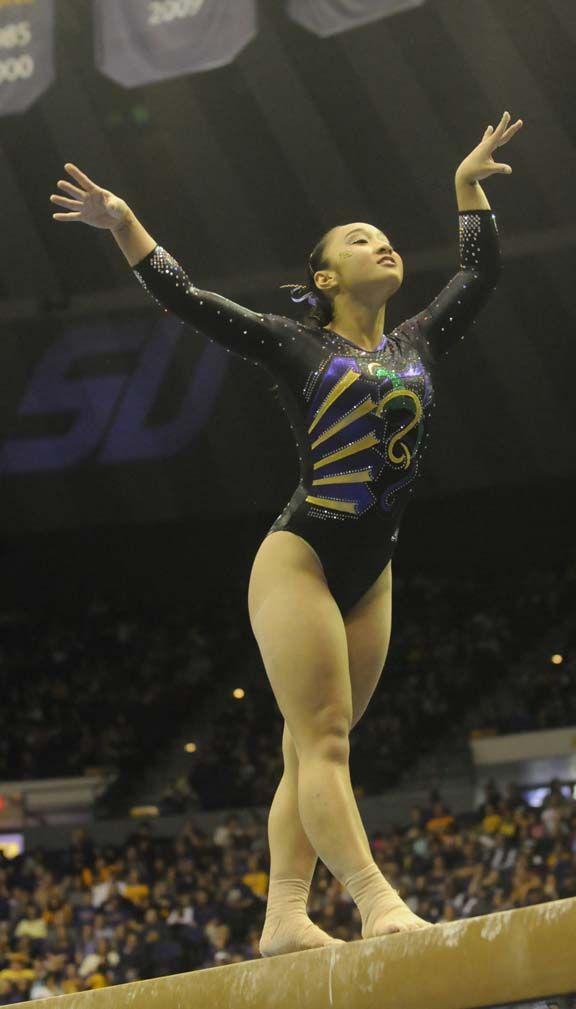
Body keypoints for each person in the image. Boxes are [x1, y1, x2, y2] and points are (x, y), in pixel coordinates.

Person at [49, 109, 522, 959]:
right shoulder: (293, 345)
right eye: (359, 238)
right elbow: (187, 300)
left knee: (311, 752)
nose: (381, 245)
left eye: (384, 237)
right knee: (326, 739)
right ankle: (376, 901)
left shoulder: (419, 341)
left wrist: (465, 188)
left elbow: (479, 277)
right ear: (324, 275)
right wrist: (126, 224)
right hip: (300, 558)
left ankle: (283, 919)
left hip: (372, 571)